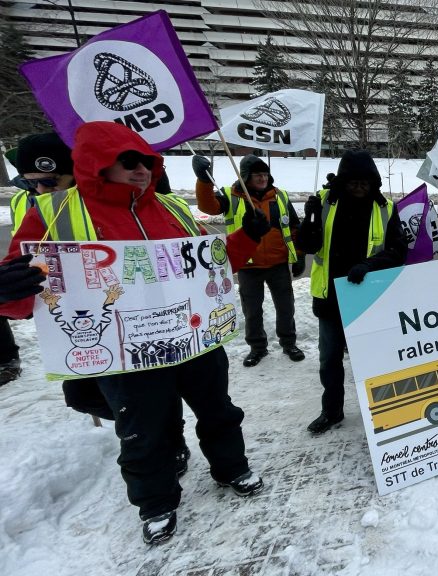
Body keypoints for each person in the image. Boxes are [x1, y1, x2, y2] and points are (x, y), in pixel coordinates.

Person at [0, 121, 270, 545]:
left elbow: (209, 266)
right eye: (127, 161)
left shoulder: (173, 208)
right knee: (143, 431)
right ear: (97, 165)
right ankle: (156, 503)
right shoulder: (53, 213)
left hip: (193, 340)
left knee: (219, 411)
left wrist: (246, 238)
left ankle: (232, 468)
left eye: (146, 159)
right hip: (124, 354)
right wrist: (7, 288)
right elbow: (18, 294)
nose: (141, 168)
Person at [295, 149, 407, 435]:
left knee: (375, 360)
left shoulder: (385, 208)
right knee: (329, 360)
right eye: (353, 181)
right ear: (343, 181)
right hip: (330, 298)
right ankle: (331, 411)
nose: (359, 186)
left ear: (373, 182)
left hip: (368, 299)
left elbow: (398, 251)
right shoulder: (323, 203)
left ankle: (384, 412)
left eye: (364, 182)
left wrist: (369, 265)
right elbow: (308, 246)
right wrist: (308, 220)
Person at [193, 154, 305, 367]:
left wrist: (299, 255)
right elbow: (208, 207)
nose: (263, 179)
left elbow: (293, 227)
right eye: (257, 175)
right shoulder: (231, 195)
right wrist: (204, 180)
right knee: (252, 310)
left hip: (278, 264)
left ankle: (289, 343)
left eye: (265, 174)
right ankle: (257, 348)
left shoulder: (279, 196)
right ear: (246, 176)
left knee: (286, 308)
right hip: (248, 265)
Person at [1, 133, 75, 385]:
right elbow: (22, 298)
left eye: (50, 181)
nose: (41, 190)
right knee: (84, 396)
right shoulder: (34, 209)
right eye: (29, 183)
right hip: (75, 325)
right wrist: (8, 291)